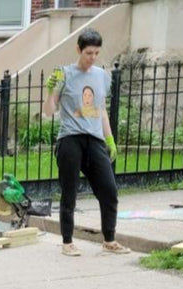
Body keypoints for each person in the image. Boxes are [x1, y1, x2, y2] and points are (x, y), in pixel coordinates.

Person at [43, 28, 130, 257]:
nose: (92, 57)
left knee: (109, 190)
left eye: (96, 53)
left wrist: (109, 138)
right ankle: (67, 242)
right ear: (78, 50)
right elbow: (49, 111)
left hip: (95, 140)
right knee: (69, 191)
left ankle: (109, 240)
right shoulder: (64, 74)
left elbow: (100, 110)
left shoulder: (102, 76)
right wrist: (51, 90)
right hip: (70, 139)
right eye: (88, 52)